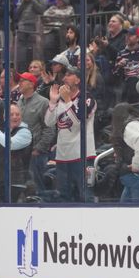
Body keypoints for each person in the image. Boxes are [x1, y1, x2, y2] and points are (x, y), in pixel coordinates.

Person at [45, 65, 97, 202]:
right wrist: (52, 101)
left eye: (69, 75)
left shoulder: (88, 98)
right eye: (64, 75)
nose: (64, 78)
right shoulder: (60, 99)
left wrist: (68, 101)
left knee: (85, 195)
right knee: (63, 196)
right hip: (63, 155)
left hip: (83, 155)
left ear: (78, 80)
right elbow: (48, 122)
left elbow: (79, 121)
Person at [0, 104, 33, 202]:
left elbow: (10, 144)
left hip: (16, 183)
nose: (14, 117)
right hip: (0, 181)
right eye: (11, 114)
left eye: (17, 114)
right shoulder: (3, 133)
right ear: (5, 117)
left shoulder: (25, 132)